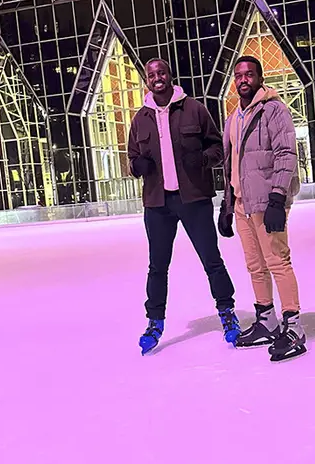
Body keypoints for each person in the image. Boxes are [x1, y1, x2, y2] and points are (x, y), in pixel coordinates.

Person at [128, 58, 240, 355]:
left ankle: (227, 312)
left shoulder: (194, 109)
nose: (157, 78)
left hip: (194, 200)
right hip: (157, 204)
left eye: (161, 72)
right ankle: (154, 322)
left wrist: (202, 159)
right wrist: (137, 165)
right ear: (147, 81)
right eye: (152, 75)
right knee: (157, 267)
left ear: (170, 75)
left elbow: (218, 148)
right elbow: (131, 158)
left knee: (211, 261)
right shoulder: (141, 118)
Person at [218, 56, 305, 362]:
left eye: (249, 74)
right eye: (238, 75)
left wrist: (278, 197)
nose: (243, 80)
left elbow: (285, 153)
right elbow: (231, 164)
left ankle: (294, 325)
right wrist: (227, 205)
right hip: (242, 204)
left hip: (267, 202)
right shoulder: (233, 118)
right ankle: (266, 319)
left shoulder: (274, 109)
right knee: (255, 266)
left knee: (277, 261)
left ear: (259, 77)